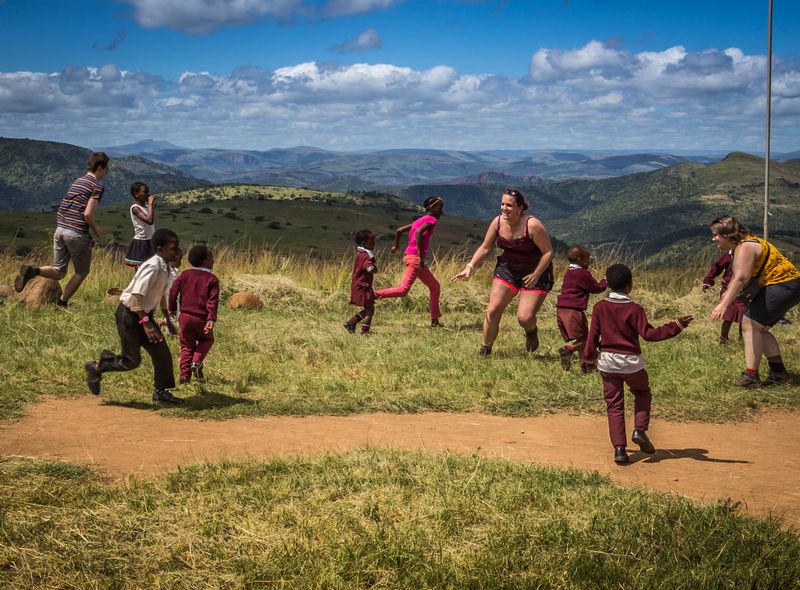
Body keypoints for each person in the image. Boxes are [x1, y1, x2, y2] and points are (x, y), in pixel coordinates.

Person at [584, 263, 693, 465]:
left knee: (614, 405)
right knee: (642, 393)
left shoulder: (599, 307)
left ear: (608, 284)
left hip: (607, 362)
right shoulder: (635, 308)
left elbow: (592, 337)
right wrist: (676, 325)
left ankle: (619, 450)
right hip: (631, 363)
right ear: (629, 285)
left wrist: (588, 359)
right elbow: (649, 334)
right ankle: (639, 430)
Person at [84, 229, 183, 405]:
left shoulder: (166, 267)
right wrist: (147, 325)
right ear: (159, 249)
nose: (176, 251)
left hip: (144, 315)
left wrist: (168, 320)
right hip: (129, 315)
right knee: (131, 361)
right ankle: (97, 367)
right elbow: (136, 298)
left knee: (162, 353)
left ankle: (161, 392)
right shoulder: (152, 267)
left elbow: (161, 296)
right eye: (173, 248)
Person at [452, 188, 554, 356]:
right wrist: (470, 266)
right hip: (508, 269)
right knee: (493, 309)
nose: (504, 208)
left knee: (524, 317)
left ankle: (531, 330)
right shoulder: (497, 222)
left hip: (535, 272)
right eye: (502, 204)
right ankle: (485, 350)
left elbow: (548, 252)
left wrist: (536, 274)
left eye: (509, 205)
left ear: (520, 208)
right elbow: (486, 247)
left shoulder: (533, 225)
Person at [709, 215, 800, 387]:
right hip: (789, 285)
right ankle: (779, 373)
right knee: (760, 329)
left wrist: (723, 305)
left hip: (782, 284)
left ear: (727, 234)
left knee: (749, 324)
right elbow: (739, 276)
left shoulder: (744, 247)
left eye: (716, 235)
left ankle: (751, 376)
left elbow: (741, 278)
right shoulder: (746, 244)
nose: (713, 239)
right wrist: (727, 295)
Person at [14, 152, 109, 307]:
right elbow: (87, 214)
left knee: (59, 271)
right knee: (82, 272)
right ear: (100, 168)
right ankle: (62, 303)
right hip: (76, 233)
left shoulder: (78, 181)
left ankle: (33, 271)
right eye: (106, 169)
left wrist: (87, 234)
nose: (106, 173)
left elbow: (71, 208)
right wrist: (96, 229)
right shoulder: (97, 185)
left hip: (61, 229)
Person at [374, 196, 444, 327]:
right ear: (432, 208)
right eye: (440, 207)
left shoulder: (420, 220)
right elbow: (418, 233)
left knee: (435, 287)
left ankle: (435, 321)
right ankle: (371, 295)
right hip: (416, 259)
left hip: (410, 256)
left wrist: (396, 246)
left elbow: (399, 230)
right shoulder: (432, 220)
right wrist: (420, 256)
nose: (442, 210)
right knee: (403, 290)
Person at [169, 245, 219, 384]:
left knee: (186, 346)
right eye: (211, 257)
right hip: (202, 318)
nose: (213, 260)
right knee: (207, 340)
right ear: (205, 261)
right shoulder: (212, 279)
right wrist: (211, 319)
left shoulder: (184, 275)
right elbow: (212, 301)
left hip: (184, 317)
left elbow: (173, 292)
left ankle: (184, 377)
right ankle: (196, 361)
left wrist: (172, 308)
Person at [555, 245, 607, 370]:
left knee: (581, 339)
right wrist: (605, 281)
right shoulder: (583, 274)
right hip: (573, 311)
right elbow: (597, 288)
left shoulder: (569, 272)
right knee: (587, 340)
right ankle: (568, 349)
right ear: (580, 260)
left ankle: (586, 364)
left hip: (561, 309)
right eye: (587, 258)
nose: (589, 261)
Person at [702, 250, 746, 344]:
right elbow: (717, 267)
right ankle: (723, 340)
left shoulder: (748, 254)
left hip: (744, 290)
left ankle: (742, 339)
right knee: (728, 316)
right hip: (728, 290)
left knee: (744, 316)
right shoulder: (728, 255)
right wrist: (708, 280)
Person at [344, 230, 378, 335]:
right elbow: (369, 268)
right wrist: (375, 269)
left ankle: (351, 323)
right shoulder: (365, 255)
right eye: (371, 241)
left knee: (369, 309)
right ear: (364, 243)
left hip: (361, 285)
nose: (374, 243)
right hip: (363, 286)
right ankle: (364, 331)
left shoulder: (360, 254)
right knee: (370, 309)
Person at [124, 181, 156, 269]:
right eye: (145, 192)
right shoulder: (135, 208)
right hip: (141, 242)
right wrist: (150, 204)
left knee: (151, 269)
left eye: (148, 192)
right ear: (136, 194)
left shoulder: (147, 207)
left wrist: (149, 205)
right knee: (141, 270)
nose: (148, 194)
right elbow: (149, 220)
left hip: (150, 240)